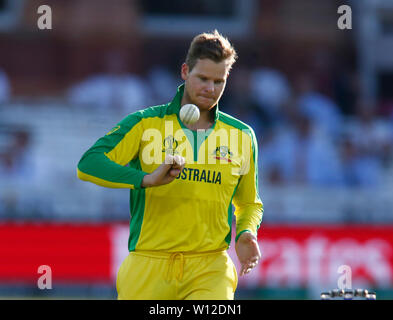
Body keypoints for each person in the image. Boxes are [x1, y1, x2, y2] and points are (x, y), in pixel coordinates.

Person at [77, 30, 263, 300]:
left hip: (210, 267)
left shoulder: (242, 135)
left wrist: (246, 233)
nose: (210, 89)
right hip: (148, 264)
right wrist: (146, 179)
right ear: (185, 71)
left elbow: (249, 203)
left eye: (218, 81)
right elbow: (89, 164)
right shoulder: (145, 124)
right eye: (203, 78)